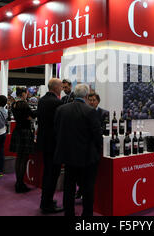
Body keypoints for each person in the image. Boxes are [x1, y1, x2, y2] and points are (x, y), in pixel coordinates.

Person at [54, 84, 102, 217]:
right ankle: (87, 214)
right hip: (87, 157)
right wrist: (98, 152)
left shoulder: (61, 109)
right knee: (88, 188)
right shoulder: (90, 111)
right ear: (86, 96)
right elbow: (97, 136)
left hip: (68, 156)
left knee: (69, 187)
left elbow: (56, 131)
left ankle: (68, 213)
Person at [36, 78, 64, 214]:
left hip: (44, 142)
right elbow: (59, 125)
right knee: (52, 174)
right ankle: (47, 204)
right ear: (55, 87)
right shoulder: (57, 102)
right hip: (53, 144)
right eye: (60, 86)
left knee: (48, 173)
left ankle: (45, 200)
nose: (62, 88)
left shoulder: (42, 100)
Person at [10, 87, 37, 193]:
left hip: (17, 131)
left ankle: (18, 182)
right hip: (25, 132)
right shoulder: (24, 104)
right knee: (24, 159)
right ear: (23, 94)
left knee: (19, 158)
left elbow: (28, 116)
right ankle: (20, 184)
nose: (27, 95)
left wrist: (29, 117)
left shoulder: (14, 104)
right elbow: (32, 115)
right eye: (26, 93)